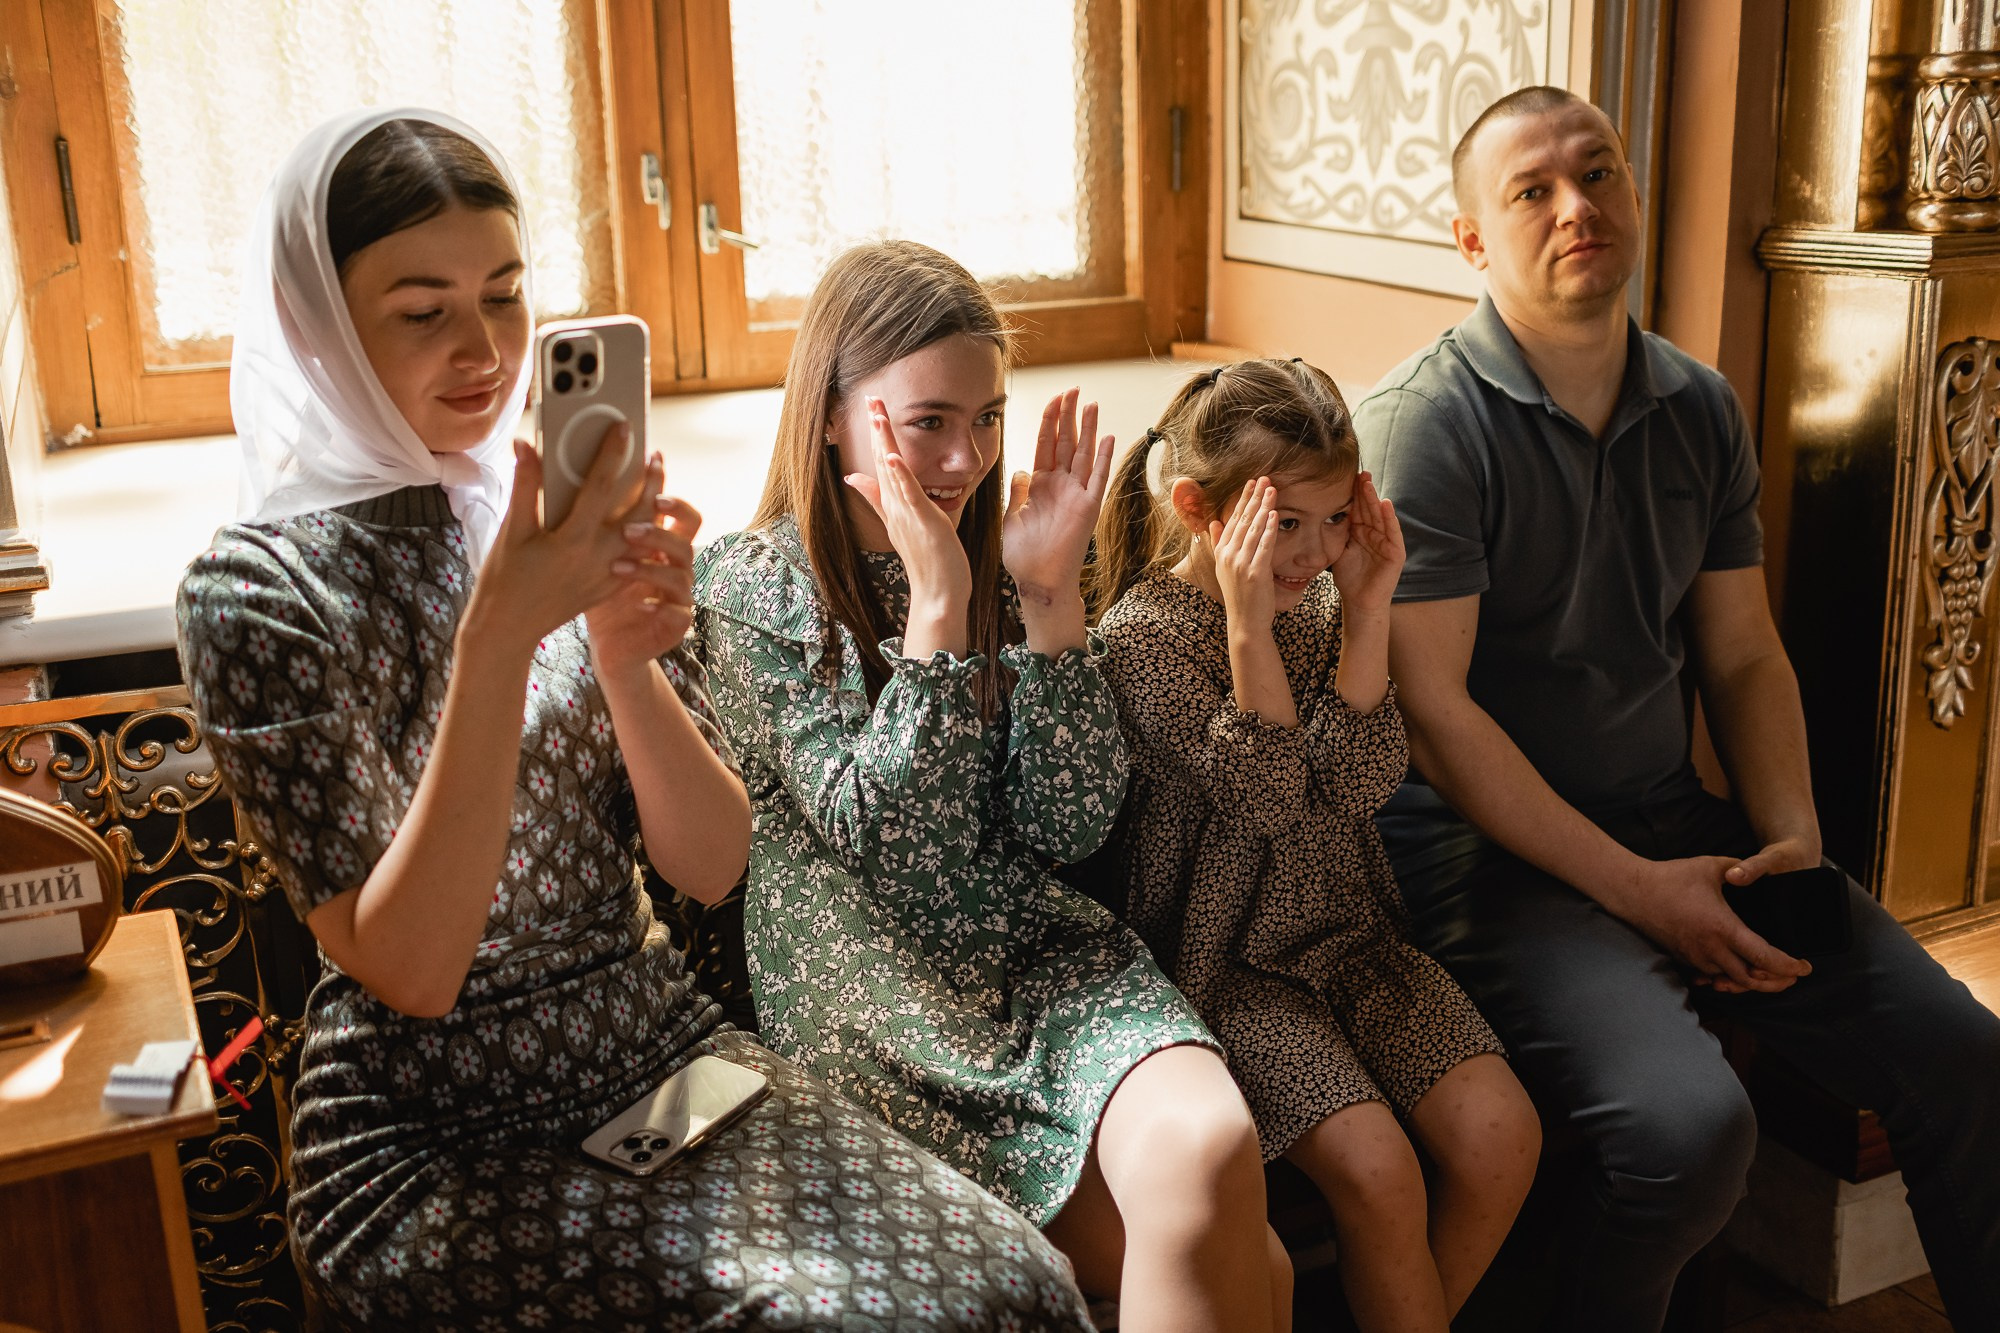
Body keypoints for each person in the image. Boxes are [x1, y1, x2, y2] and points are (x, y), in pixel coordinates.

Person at [178, 109, 1092, 1331]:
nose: (483, 349)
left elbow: (710, 866)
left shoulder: (555, 510)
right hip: (432, 1130)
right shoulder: (257, 591)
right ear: (317, 324)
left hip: (652, 1054)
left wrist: (618, 652)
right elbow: (412, 966)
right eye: (421, 310)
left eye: (504, 296)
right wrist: (499, 638)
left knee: (1015, 1283)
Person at [1355, 85, 2000, 1332]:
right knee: (1688, 1132)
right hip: (1481, 865)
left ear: (1635, 195)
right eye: (1530, 191)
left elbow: (1744, 655)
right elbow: (1434, 718)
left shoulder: (1697, 404)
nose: (1575, 206)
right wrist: (1644, 892)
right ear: (1473, 244)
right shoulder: (1424, 426)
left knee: (1968, 1064)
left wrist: (1792, 843)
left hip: (1666, 818)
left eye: (1596, 173)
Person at [692, 240, 1292, 1331]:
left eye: (986, 418)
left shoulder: (1000, 563)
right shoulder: (752, 585)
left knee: (1210, 1150)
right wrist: (933, 611)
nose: (966, 459)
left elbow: (1068, 825)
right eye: (929, 421)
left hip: (1037, 958)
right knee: (1254, 1266)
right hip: (877, 1000)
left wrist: (1049, 600)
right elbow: (885, 843)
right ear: (831, 414)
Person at [1090, 358, 1539, 1332]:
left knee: (1502, 1134)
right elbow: (1266, 798)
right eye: (1283, 523)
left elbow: (1359, 782)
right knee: (1379, 1172)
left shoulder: (1326, 606)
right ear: (1197, 508)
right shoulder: (1142, 642)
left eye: (1333, 519)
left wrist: (1369, 605)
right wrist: (1250, 635)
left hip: (1354, 943)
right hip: (1227, 971)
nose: (1309, 551)